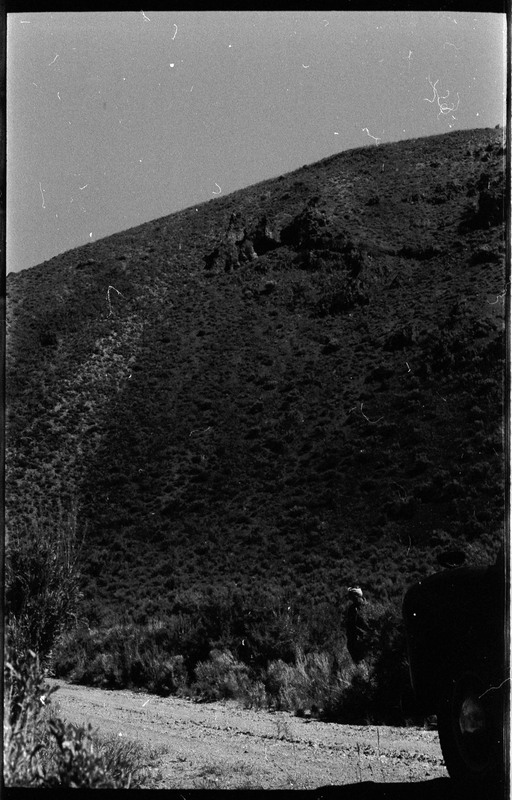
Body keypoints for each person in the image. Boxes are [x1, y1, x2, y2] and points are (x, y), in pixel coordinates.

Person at [345, 586, 369, 664]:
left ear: (356, 595)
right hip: (354, 638)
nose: (349, 597)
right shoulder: (353, 608)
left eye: (351, 595)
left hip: (361, 638)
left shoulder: (364, 607)